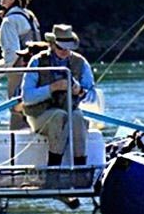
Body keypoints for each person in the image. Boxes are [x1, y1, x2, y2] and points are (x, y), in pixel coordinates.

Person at [20, 24, 97, 167]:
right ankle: (54, 166)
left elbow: (92, 96)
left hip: (70, 112)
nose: (65, 51)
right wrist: (52, 88)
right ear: (52, 45)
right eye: (61, 47)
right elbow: (27, 97)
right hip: (39, 115)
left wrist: (79, 91)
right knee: (59, 116)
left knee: (78, 117)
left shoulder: (81, 63)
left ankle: (81, 167)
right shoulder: (37, 61)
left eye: (68, 47)